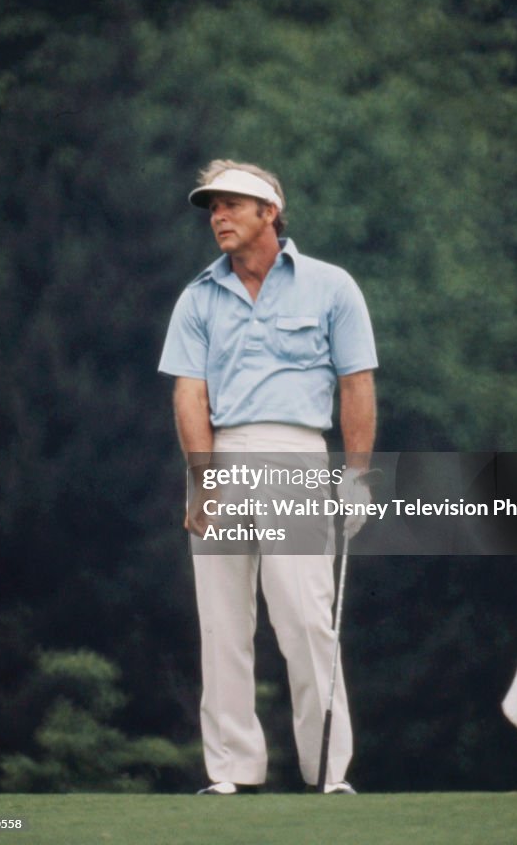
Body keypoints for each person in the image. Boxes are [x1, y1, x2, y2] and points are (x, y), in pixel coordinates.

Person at [158, 158, 378, 794]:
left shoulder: (331, 286)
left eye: (231, 205)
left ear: (269, 213)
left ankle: (328, 771)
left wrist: (357, 475)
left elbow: (356, 384)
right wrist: (202, 480)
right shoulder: (197, 296)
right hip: (220, 452)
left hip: (297, 453)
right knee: (223, 623)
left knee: (305, 617)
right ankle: (230, 772)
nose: (217, 218)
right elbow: (189, 396)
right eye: (212, 208)